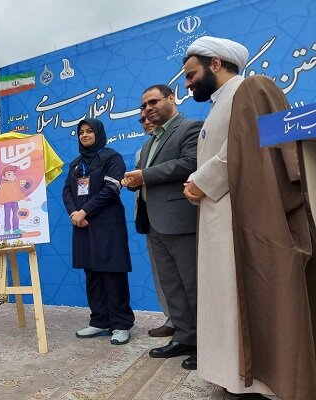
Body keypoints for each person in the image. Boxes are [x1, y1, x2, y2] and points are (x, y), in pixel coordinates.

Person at [183, 36, 316, 399]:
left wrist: (199, 181)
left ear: (214, 64)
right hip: (218, 215)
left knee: (243, 295)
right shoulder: (217, 105)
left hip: (241, 216)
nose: (187, 82)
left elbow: (245, 151)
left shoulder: (250, 90)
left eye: (191, 73)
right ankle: (231, 374)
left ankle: (255, 379)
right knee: (224, 299)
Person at [122, 84, 201, 369]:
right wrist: (135, 182)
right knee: (172, 286)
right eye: (143, 106)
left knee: (193, 285)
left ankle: (207, 344)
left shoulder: (190, 128)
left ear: (171, 98)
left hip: (180, 222)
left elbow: (190, 163)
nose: (147, 109)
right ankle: (185, 337)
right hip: (153, 222)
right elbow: (149, 178)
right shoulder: (148, 142)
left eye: (152, 102)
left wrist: (144, 175)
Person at [63, 117, 134, 345]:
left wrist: (84, 211)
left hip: (107, 225)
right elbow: (67, 191)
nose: (84, 135)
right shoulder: (76, 164)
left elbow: (111, 189)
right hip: (82, 226)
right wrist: (75, 214)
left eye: (89, 131)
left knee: (112, 274)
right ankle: (100, 320)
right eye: (81, 132)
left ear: (98, 133)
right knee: (92, 273)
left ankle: (121, 323)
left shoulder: (111, 157)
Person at [133, 112, 175, 338]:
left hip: (175, 218)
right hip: (149, 217)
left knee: (184, 275)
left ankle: (192, 326)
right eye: (142, 120)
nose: (147, 122)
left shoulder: (182, 137)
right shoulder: (142, 150)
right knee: (162, 274)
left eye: (150, 116)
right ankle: (172, 318)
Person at [0, 165, 30, 234]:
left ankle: (16, 228)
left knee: (16, 214)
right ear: (4, 177)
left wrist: (24, 198)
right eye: (9, 174)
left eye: (13, 174)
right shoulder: (3, 185)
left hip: (15, 202)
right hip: (7, 203)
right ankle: (7, 230)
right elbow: (0, 194)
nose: (12, 176)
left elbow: (18, 193)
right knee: (7, 215)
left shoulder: (16, 184)